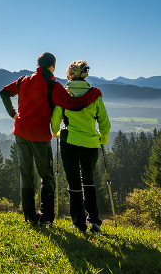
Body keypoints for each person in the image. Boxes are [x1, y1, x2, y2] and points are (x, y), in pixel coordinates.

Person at [0, 52, 103, 225]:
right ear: (53, 66)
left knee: (25, 174)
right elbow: (73, 104)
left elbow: (4, 92)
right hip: (39, 136)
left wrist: (13, 114)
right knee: (46, 176)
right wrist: (95, 93)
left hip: (20, 132)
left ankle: (30, 216)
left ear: (38, 63)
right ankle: (46, 216)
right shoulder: (53, 85)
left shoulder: (22, 80)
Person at [51, 60, 110, 233]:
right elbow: (104, 122)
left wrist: (56, 133)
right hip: (91, 144)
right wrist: (102, 139)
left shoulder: (64, 94)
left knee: (74, 183)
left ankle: (78, 222)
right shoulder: (95, 95)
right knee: (89, 181)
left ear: (70, 74)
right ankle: (94, 221)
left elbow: (56, 120)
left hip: (70, 142)